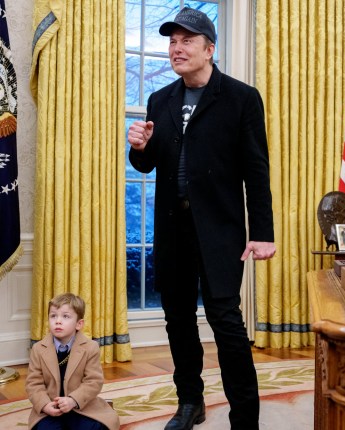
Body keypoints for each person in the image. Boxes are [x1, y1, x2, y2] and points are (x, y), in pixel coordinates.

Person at [127, 7, 276, 430]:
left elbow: (256, 170)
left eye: (187, 41)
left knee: (226, 323)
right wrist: (138, 148)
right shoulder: (161, 99)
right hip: (173, 231)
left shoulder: (242, 98)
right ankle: (190, 403)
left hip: (221, 232)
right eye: (172, 41)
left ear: (210, 49)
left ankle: (245, 418)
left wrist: (262, 233)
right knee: (177, 320)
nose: (177, 48)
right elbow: (149, 163)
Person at [25, 293, 120, 430]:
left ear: (79, 324)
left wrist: (73, 400)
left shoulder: (90, 347)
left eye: (65, 316)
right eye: (53, 316)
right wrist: (45, 405)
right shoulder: (38, 349)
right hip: (51, 409)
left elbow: (94, 382)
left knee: (96, 427)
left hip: (81, 406)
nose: (58, 321)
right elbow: (33, 384)